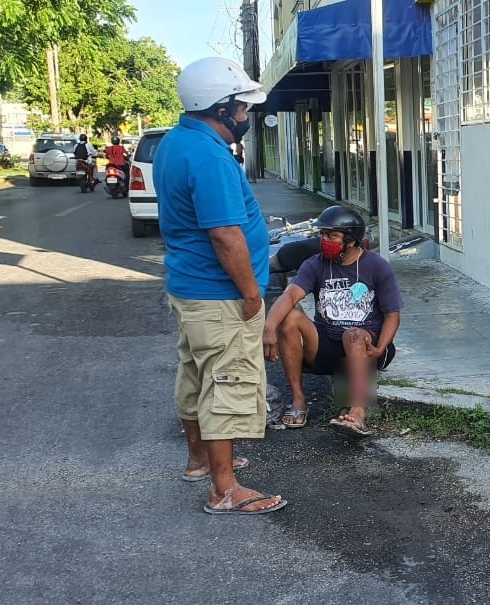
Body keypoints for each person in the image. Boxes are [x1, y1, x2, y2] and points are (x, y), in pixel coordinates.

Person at [156, 56, 287, 514]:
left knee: (195, 375)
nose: (246, 116)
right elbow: (225, 235)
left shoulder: (176, 142)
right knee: (226, 385)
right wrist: (253, 295)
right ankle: (224, 488)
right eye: (241, 107)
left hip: (191, 290)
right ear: (220, 106)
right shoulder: (209, 156)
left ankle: (200, 462)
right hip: (218, 296)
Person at [263, 205, 402, 436]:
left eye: (332, 236)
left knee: (353, 334)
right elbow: (291, 294)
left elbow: (392, 316)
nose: (325, 240)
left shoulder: (376, 267)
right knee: (289, 316)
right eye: (323, 235)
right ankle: (298, 400)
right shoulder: (315, 264)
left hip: (366, 347)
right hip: (326, 348)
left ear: (350, 240)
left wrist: (379, 349)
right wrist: (270, 326)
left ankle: (358, 411)